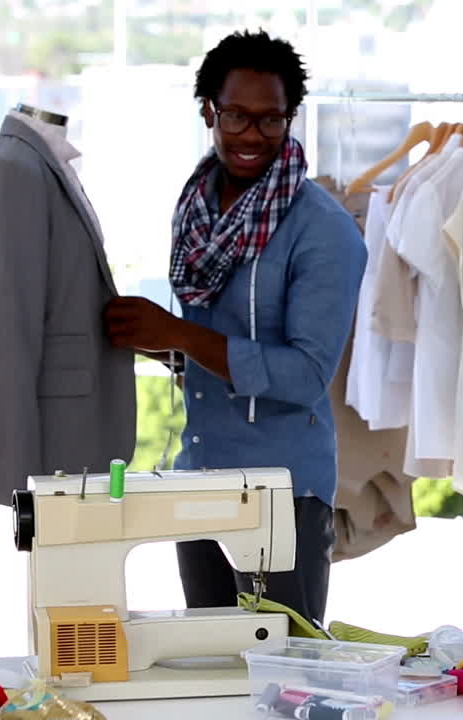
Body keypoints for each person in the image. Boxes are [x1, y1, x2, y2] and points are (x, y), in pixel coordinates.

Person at [104, 30, 366, 624]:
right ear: (208, 112)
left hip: (281, 489)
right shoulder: (197, 206)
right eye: (236, 117)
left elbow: (304, 374)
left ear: (290, 117)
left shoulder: (325, 231)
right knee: (210, 665)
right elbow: (205, 348)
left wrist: (178, 333)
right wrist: (154, 343)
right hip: (199, 474)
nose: (252, 135)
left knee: (281, 674)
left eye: (270, 120)